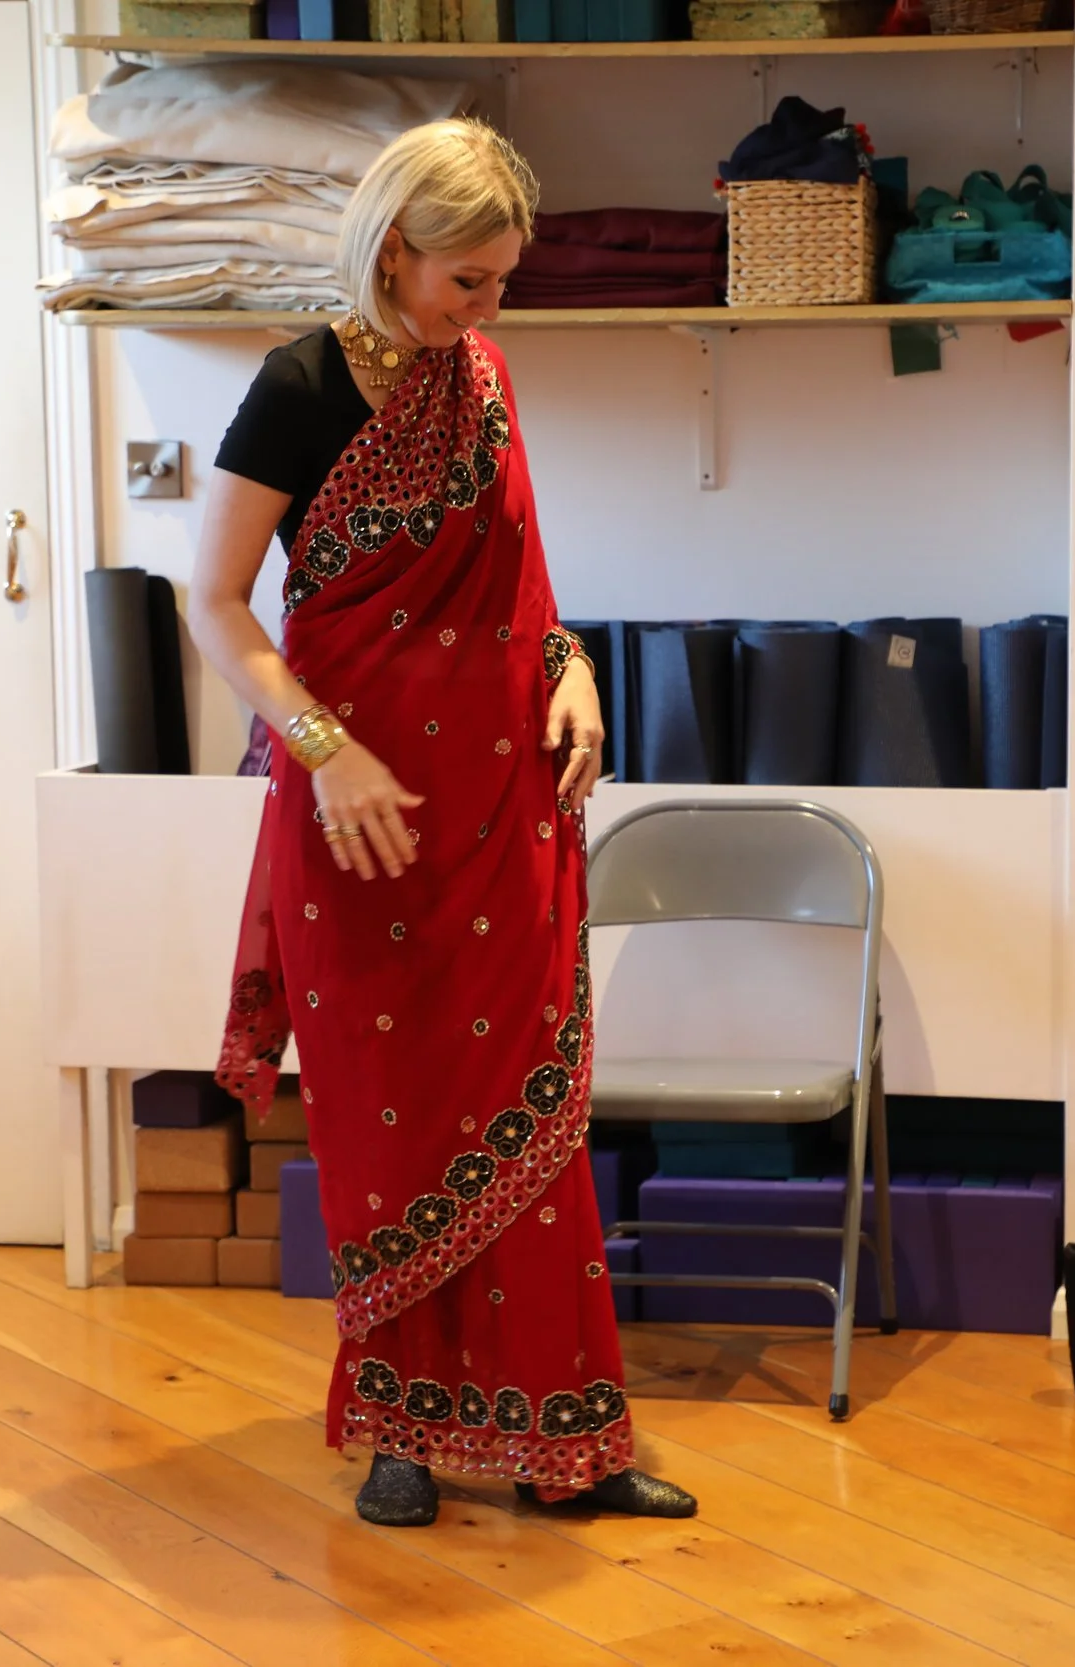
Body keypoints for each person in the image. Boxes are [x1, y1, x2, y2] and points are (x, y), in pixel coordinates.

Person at [190, 119, 695, 1528]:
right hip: (356, 821)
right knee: (385, 1123)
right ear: (392, 252)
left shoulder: (483, 377)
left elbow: (520, 585)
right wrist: (325, 749)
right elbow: (217, 603)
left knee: (532, 1129)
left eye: (501, 283)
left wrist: (571, 665)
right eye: (467, 280)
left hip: (498, 806)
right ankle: (402, 1434)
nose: (488, 309)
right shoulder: (297, 385)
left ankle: (564, 1446)